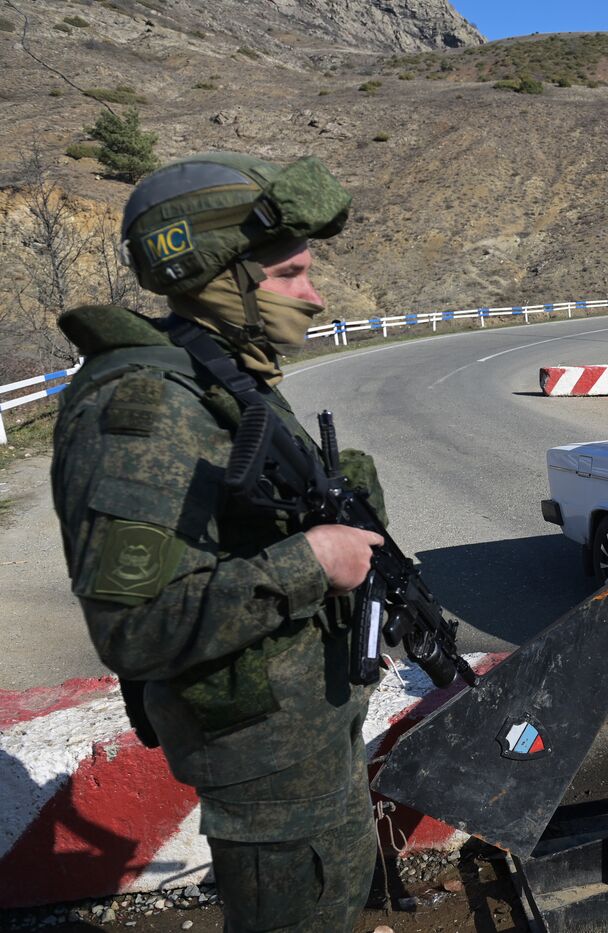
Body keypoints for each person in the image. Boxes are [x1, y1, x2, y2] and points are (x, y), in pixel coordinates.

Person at [50, 153, 387, 932]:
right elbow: (136, 627)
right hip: (261, 761)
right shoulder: (146, 406)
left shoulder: (222, 380)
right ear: (221, 276)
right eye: (291, 273)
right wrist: (311, 562)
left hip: (305, 733)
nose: (315, 294)